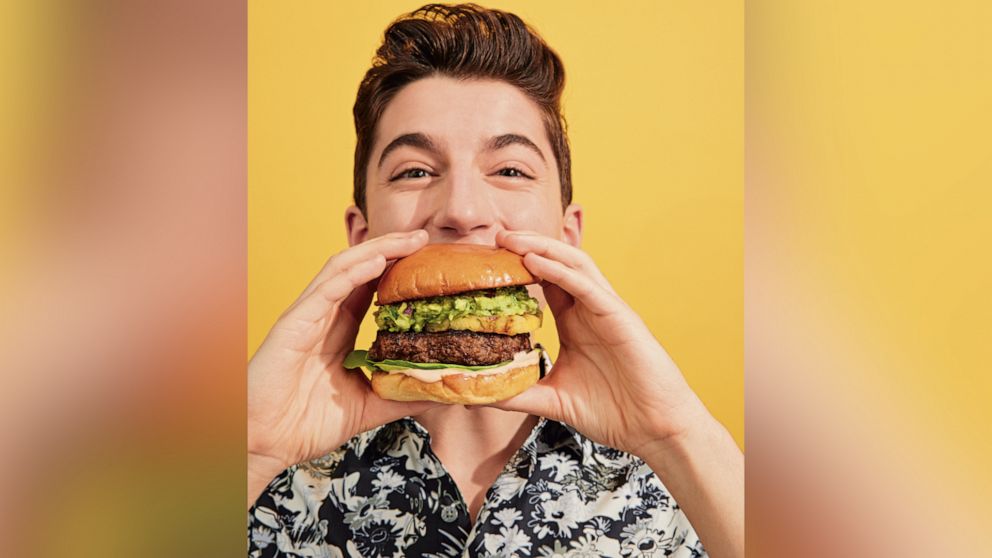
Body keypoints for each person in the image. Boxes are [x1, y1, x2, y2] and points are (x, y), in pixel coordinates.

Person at [248, 4, 743, 557]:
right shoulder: (269, 466)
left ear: (565, 235)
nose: (462, 210)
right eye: (414, 171)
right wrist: (251, 451)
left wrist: (676, 437)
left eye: (510, 170)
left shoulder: (681, 475)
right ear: (361, 237)